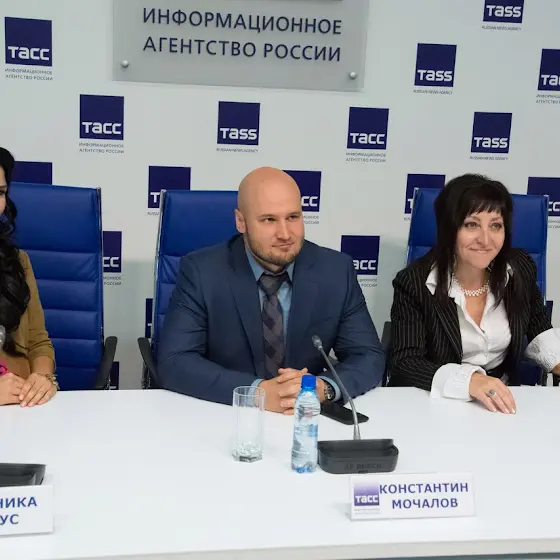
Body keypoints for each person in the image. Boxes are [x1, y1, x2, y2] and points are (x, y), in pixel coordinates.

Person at [157, 167, 385, 413]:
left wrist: (324, 388)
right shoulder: (202, 272)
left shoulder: (336, 271)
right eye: (269, 220)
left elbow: (368, 356)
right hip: (229, 414)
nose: (285, 234)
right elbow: (175, 361)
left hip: (305, 416)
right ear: (241, 222)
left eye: (293, 217)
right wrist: (257, 392)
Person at [389, 173, 560, 413]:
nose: (485, 240)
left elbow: (537, 325)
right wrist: (470, 381)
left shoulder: (519, 267)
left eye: (495, 225)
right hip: (438, 403)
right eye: (471, 225)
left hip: (501, 401)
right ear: (449, 229)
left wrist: (557, 361)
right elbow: (406, 362)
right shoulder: (414, 282)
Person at [0, 148, 57, 407]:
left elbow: (38, 342)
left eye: (0, 193)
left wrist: (42, 378)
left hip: (26, 410)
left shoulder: (18, 261)